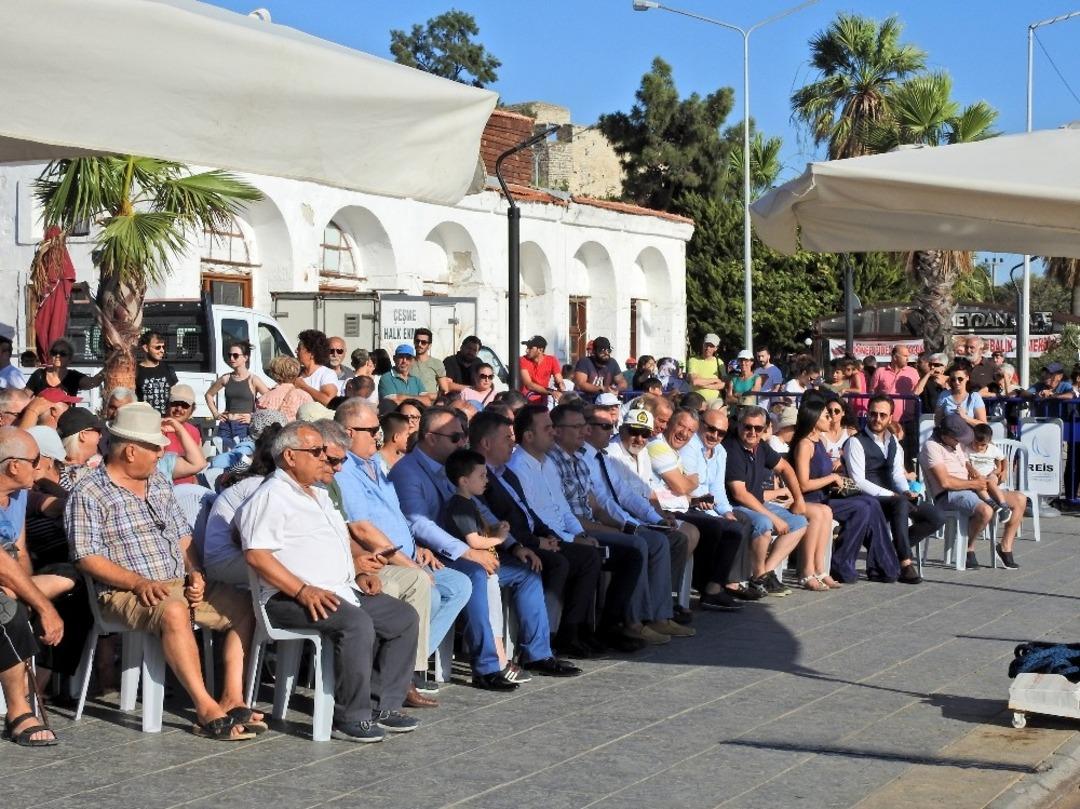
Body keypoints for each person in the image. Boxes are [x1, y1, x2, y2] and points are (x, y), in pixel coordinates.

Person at [66, 404, 260, 740]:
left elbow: (183, 535)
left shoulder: (157, 481)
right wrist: (137, 582)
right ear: (130, 451)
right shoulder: (89, 492)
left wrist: (195, 572)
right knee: (173, 611)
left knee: (247, 605)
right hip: (123, 591)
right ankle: (205, 708)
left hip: (176, 582)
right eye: (156, 448)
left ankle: (232, 697)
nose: (161, 454)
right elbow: (86, 557)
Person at [238, 420, 421, 741]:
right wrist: (302, 590)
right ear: (290, 456)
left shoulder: (319, 495)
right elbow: (257, 555)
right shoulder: (271, 496)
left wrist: (359, 573)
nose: (324, 457)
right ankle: (350, 717)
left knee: (403, 618)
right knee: (357, 624)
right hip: (288, 597)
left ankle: (381, 705)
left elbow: (335, 545)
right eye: (316, 451)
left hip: (338, 589)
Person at [389, 406, 579, 688]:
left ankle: (538, 654)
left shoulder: (453, 465)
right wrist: (467, 551)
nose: (463, 442)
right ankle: (487, 667)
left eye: (463, 435)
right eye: (455, 437)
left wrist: (514, 546)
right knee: (477, 575)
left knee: (527, 571)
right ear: (430, 437)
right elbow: (418, 523)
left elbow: (480, 511)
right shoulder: (408, 471)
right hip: (434, 555)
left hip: (462, 550)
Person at [331, 400, 470, 702]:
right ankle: (403, 675)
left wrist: (418, 547)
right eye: (372, 431)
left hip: (407, 554)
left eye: (378, 429)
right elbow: (362, 529)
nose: (378, 436)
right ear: (348, 432)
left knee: (460, 584)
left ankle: (404, 665)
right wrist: (409, 564)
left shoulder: (374, 465)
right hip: (381, 560)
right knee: (428, 591)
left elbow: (396, 515)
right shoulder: (345, 470)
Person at [508, 405, 651, 651]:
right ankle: (570, 632)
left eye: (553, 427)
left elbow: (564, 509)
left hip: (564, 534)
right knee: (588, 557)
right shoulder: (518, 467)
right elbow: (535, 519)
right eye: (547, 428)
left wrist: (580, 534)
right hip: (544, 539)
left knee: (630, 555)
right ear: (529, 436)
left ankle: (608, 627)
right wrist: (572, 539)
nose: (552, 432)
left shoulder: (546, 463)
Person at [546, 404, 691, 644]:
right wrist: (624, 526)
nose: (609, 432)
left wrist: (652, 520)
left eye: (611, 426)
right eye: (605, 426)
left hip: (601, 522)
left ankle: (657, 615)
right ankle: (631, 622)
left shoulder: (585, 460)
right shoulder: (573, 459)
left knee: (668, 539)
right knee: (640, 544)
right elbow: (594, 507)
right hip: (577, 530)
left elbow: (616, 498)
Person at [471, 410, 604, 657]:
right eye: (506, 438)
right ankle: (545, 640)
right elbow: (495, 524)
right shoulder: (480, 478)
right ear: (486, 443)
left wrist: (549, 535)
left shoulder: (505, 473)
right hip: (511, 546)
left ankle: (570, 632)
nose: (512, 442)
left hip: (533, 538)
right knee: (556, 563)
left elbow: (529, 512)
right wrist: (535, 542)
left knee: (588, 556)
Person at [789, 396, 899, 585]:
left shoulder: (819, 442)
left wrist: (838, 470)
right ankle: (844, 563)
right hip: (812, 500)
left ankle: (881, 565)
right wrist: (832, 478)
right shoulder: (804, 445)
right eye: (826, 415)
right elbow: (804, 484)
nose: (831, 419)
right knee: (863, 507)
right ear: (814, 420)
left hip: (825, 496)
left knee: (871, 503)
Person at [0, 428, 64, 745]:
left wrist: (25, 592)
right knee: (8, 613)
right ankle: (18, 711)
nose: (40, 467)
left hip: (8, 574)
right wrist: (42, 605)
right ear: (14, 465)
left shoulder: (19, 495)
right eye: (35, 460)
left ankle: (47, 682)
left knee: (72, 583)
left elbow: (20, 552)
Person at [845, 395, 945, 583]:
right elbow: (858, 480)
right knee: (900, 503)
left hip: (894, 496)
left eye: (882, 415)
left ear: (890, 417)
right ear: (867, 414)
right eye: (873, 414)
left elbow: (897, 474)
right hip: (869, 498)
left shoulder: (894, 442)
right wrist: (892, 495)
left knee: (936, 517)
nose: (877, 419)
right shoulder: (855, 442)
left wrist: (905, 490)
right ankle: (905, 563)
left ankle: (888, 551)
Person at [919, 413, 1025, 570]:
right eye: (957, 439)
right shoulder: (932, 447)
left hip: (971, 487)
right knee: (986, 510)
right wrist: (974, 483)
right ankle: (968, 548)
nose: (960, 442)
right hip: (949, 494)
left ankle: (1005, 547)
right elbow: (945, 482)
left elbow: (982, 438)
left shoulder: (955, 443)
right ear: (945, 435)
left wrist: (979, 471)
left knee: (1020, 499)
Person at [723, 406, 809, 595]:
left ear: (764, 429)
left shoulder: (760, 446)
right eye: (748, 427)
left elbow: (785, 468)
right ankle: (759, 575)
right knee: (764, 522)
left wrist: (799, 499)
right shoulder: (732, 449)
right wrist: (774, 517)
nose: (752, 432)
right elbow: (739, 494)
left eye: (758, 428)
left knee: (799, 523)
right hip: (734, 505)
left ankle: (763, 574)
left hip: (756, 502)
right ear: (739, 425)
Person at [205, 340, 268, 451]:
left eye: (235, 355)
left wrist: (253, 417)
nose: (231, 358)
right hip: (225, 425)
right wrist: (215, 414)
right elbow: (209, 395)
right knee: (223, 457)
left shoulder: (253, 379)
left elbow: (270, 400)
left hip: (243, 427)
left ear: (245, 358)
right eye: (229, 355)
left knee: (242, 456)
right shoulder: (226, 378)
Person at [965, 422, 1014, 518]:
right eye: (976, 443)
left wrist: (1004, 471)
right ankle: (993, 505)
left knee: (992, 482)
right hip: (978, 476)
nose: (979, 447)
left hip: (991, 474)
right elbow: (966, 462)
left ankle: (1003, 505)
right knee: (980, 486)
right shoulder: (968, 449)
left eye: (982, 445)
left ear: (989, 441)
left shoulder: (993, 449)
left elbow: (1003, 459)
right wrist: (972, 470)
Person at [162, 385, 207, 485]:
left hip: (188, 488)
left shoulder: (194, 431)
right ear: (167, 405)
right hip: (166, 487)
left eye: (184, 405)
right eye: (175, 404)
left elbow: (200, 464)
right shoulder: (159, 428)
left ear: (192, 409)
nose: (179, 409)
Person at [26, 339, 103, 397]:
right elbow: (25, 395)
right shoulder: (39, 374)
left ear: (70, 359)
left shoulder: (73, 376)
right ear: (50, 355)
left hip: (67, 414)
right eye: (54, 352)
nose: (57, 356)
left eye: (63, 354)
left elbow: (92, 382)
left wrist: (107, 368)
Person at [870, 344, 919, 427]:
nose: (908, 359)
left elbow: (918, 390)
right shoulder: (880, 371)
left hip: (909, 420)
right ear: (895, 357)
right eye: (905, 356)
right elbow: (872, 393)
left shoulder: (913, 372)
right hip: (885, 421)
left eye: (908, 356)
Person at [256, 355, 312, 422]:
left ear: (274, 374)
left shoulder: (265, 398)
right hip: (295, 428)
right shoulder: (304, 396)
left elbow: (259, 420)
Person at [134, 331, 178, 415]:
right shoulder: (135, 371)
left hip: (165, 420)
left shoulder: (168, 369)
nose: (162, 350)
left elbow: (175, 395)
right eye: (158, 347)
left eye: (163, 347)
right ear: (146, 348)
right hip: (144, 419)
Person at [572, 337, 626, 403]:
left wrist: (616, 389)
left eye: (608, 350)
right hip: (585, 403)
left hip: (605, 402)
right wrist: (602, 389)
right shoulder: (584, 362)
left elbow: (622, 382)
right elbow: (580, 384)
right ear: (594, 351)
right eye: (602, 351)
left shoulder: (612, 362)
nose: (606, 353)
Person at [293, 329, 339, 406]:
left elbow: (329, 401)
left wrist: (304, 387)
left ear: (312, 354)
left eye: (299, 349)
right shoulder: (296, 373)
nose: (296, 351)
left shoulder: (326, 374)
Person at [519, 335, 563, 405]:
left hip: (542, 402)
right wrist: (552, 391)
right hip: (526, 402)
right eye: (527, 347)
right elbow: (529, 385)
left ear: (540, 350)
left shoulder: (551, 360)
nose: (526, 350)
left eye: (530, 348)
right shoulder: (522, 360)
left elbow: (558, 377)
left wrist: (560, 384)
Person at [686, 333, 727, 402]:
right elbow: (695, 381)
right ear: (703, 345)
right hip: (696, 400)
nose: (708, 348)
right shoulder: (693, 360)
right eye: (706, 345)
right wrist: (715, 380)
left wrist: (703, 383)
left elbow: (723, 384)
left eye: (711, 346)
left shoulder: (719, 362)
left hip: (715, 400)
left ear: (715, 348)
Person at [409, 328, 449, 396]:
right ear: (414, 342)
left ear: (429, 345)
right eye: (417, 341)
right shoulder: (407, 362)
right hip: (410, 400)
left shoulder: (437, 363)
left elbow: (445, 390)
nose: (419, 344)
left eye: (423, 342)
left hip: (430, 401)